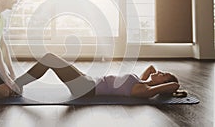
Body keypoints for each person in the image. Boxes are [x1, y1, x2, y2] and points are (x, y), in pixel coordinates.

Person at [15, 53, 184, 98]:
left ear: (163, 86)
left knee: (50, 58)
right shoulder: (142, 81)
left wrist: (165, 89)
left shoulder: (144, 90)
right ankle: (17, 84)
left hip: (86, 89)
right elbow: (151, 67)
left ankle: (16, 84)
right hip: (87, 81)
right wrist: (157, 77)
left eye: (164, 75)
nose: (159, 72)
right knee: (52, 59)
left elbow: (174, 86)